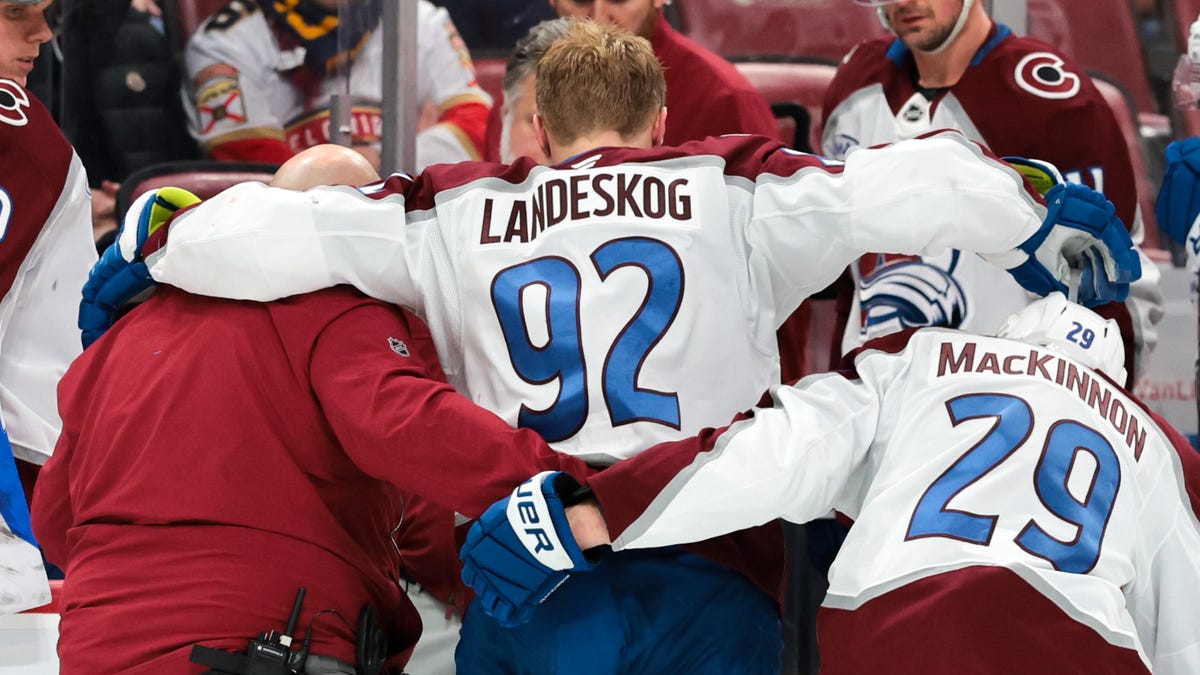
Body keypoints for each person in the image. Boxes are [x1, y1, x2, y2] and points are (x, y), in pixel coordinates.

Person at [80, 21, 1140, 674]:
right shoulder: (733, 185)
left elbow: (291, 229)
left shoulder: (453, 211)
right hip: (711, 572)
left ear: (531, 114)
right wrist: (1029, 212)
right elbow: (896, 183)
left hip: (532, 577)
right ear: (664, 112)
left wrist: (163, 240)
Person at [29, 145, 599, 673]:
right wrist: (587, 492)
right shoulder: (337, 305)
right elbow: (410, 427)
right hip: (260, 641)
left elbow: (55, 526)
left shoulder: (117, 342)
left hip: (99, 645)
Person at [463, 293, 1200, 674]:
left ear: (1002, 341)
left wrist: (592, 510)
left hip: (904, 627)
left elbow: (771, 450)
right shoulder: (1161, 447)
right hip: (1080, 648)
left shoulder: (926, 358)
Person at [821, 0, 1162, 388]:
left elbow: (1112, 283)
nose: (903, 2)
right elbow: (849, 271)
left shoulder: (1052, 102)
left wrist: (1076, 416)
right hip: (878, 394)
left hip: (1004, 407)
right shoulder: (854, 87)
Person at [0, 0, 97, 614]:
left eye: (44, 12)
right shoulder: (16, 130)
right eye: (15, 13)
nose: (42, 34)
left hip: (37, 466)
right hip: (32, 470)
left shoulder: (20, 126)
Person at [182, 0, 491, 172]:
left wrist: (376, 159)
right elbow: (253, 163)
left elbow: (477, 127)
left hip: (410, 215)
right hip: (292, 232)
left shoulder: (419, 17)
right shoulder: (225, 40)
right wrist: (404, 156)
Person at [482, 0, 779, 162]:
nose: (598, 16)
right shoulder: (519, 92)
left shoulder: (725, 98)